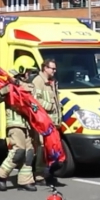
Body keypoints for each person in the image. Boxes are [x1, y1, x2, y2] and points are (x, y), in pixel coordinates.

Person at [0, 56, 38, 192]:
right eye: (29, 71)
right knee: (18, 151)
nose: (31, 74)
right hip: (15, 123)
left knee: (29, 152)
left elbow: (35, 103)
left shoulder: (30, 87)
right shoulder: (10, 86)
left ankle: (25, 180)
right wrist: (5, 91)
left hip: (29, 124)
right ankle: (2, 176)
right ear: (22, 70)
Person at [32, 57, 61, 186]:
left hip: (53, 122)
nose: (54, 70)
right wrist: (49, 106)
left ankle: (47, 173)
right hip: (43, 122)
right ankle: (39, 175)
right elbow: (34, 101)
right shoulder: (38, 81)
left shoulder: (52, 81)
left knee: (50, 149)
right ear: (45, 68)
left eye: (55, 68)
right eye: (52, 68)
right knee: (42, 148)